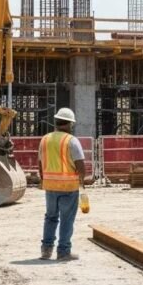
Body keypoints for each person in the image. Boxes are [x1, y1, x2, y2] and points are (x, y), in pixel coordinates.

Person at [38, 107, 86, 261]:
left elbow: (41, 164)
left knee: (50, 217)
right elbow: (81, 166)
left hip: (50, 186)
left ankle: (46, 251)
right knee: (67, 219)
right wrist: (82, 184)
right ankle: (63, 251)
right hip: (68, 187)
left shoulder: (45, 139)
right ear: (71, 124)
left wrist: (44, 180)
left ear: (56, 122)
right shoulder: (71, 141)